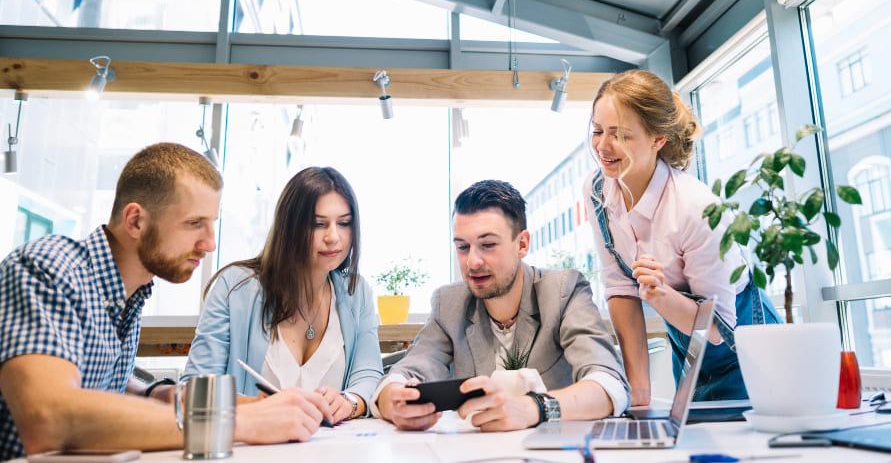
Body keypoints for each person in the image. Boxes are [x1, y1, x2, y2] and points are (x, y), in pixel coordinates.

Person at [0, 143, 334, 461]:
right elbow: (48, 418)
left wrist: (161, 395)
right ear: (136, 221)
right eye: (193, 224)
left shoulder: (128, 292)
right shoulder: (48, 268)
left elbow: (90, 377)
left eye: (211, 224)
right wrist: (244, 425)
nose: (209, 244)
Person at [585, 70, 780, 404]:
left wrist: (660, 296)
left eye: (619, 135)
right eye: (598, 131)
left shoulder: (696, 208)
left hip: (746, 349)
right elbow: (619, 289)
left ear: (657, 139)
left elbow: (720, 329)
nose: (603, 146)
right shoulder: (598, 190)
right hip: (688, 345)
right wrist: (639, 393)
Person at [374, 179, 629, 432]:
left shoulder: (564, 291)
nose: (472, 261)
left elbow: (609, 383)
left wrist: (534, 408)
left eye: (488, 245)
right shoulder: (448, 303)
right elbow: (403, 374)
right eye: (462, 247)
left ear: (522, 244)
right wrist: (392, 402)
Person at [184, 166, 382, 422]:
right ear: (289, 228)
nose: (333, 237)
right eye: (318, 224)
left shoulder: (357, 292)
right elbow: (194, 387)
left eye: (344, 223)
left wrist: (350, 401)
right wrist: (255, 407)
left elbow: (368, 372)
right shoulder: (234, 287)